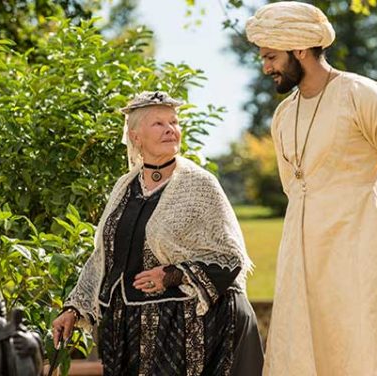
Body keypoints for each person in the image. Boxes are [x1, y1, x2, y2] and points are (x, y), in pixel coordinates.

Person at [245, 2, 377, 375]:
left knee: (362, 347)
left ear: (300, 49)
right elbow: (292, 187)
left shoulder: (361, 95)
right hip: (300, 257)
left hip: (359, 252)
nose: (266, 67)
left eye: (270, 56)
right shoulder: (283, 115)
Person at [51, 91, 264, 375]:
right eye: (159, 123)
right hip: (129, 333)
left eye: (174, 122)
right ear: (135, 136)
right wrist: (74, 309)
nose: (170, 129)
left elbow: (229, 257)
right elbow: (105, 257)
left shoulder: (199, 184)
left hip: (191, 330)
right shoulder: (125, 188)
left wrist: (173, 274)